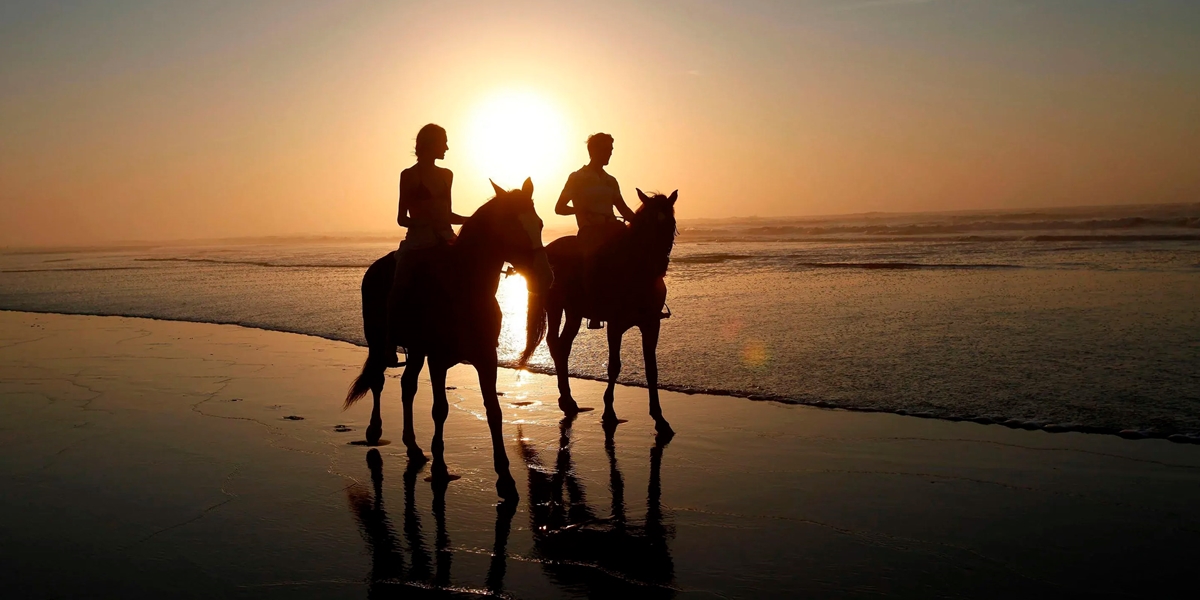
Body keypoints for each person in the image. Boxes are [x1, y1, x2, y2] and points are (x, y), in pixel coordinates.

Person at [387, 124, 468, 357]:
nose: (447, 147)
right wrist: (427, 223)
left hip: (447, 238)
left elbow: (449, 213)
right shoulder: (409, 175)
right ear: (430, 144)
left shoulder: (447, 175)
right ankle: (390, 342)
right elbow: (402, 219)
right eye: (443, 142)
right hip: (418, 242)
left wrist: (473, 220)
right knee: (399, 285)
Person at [555, 133, 636, 328]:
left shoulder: (611, 180)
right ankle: (594, 308)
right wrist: (578, 210)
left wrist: (642, 222)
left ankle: (639, 302)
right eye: (607, 150)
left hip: (611, 229)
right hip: (590, 231)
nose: (610, 154)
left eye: (611, 150)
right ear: (594, 151)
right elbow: (559, 208)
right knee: (595, 258)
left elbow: (622, 209)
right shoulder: (577, 178)